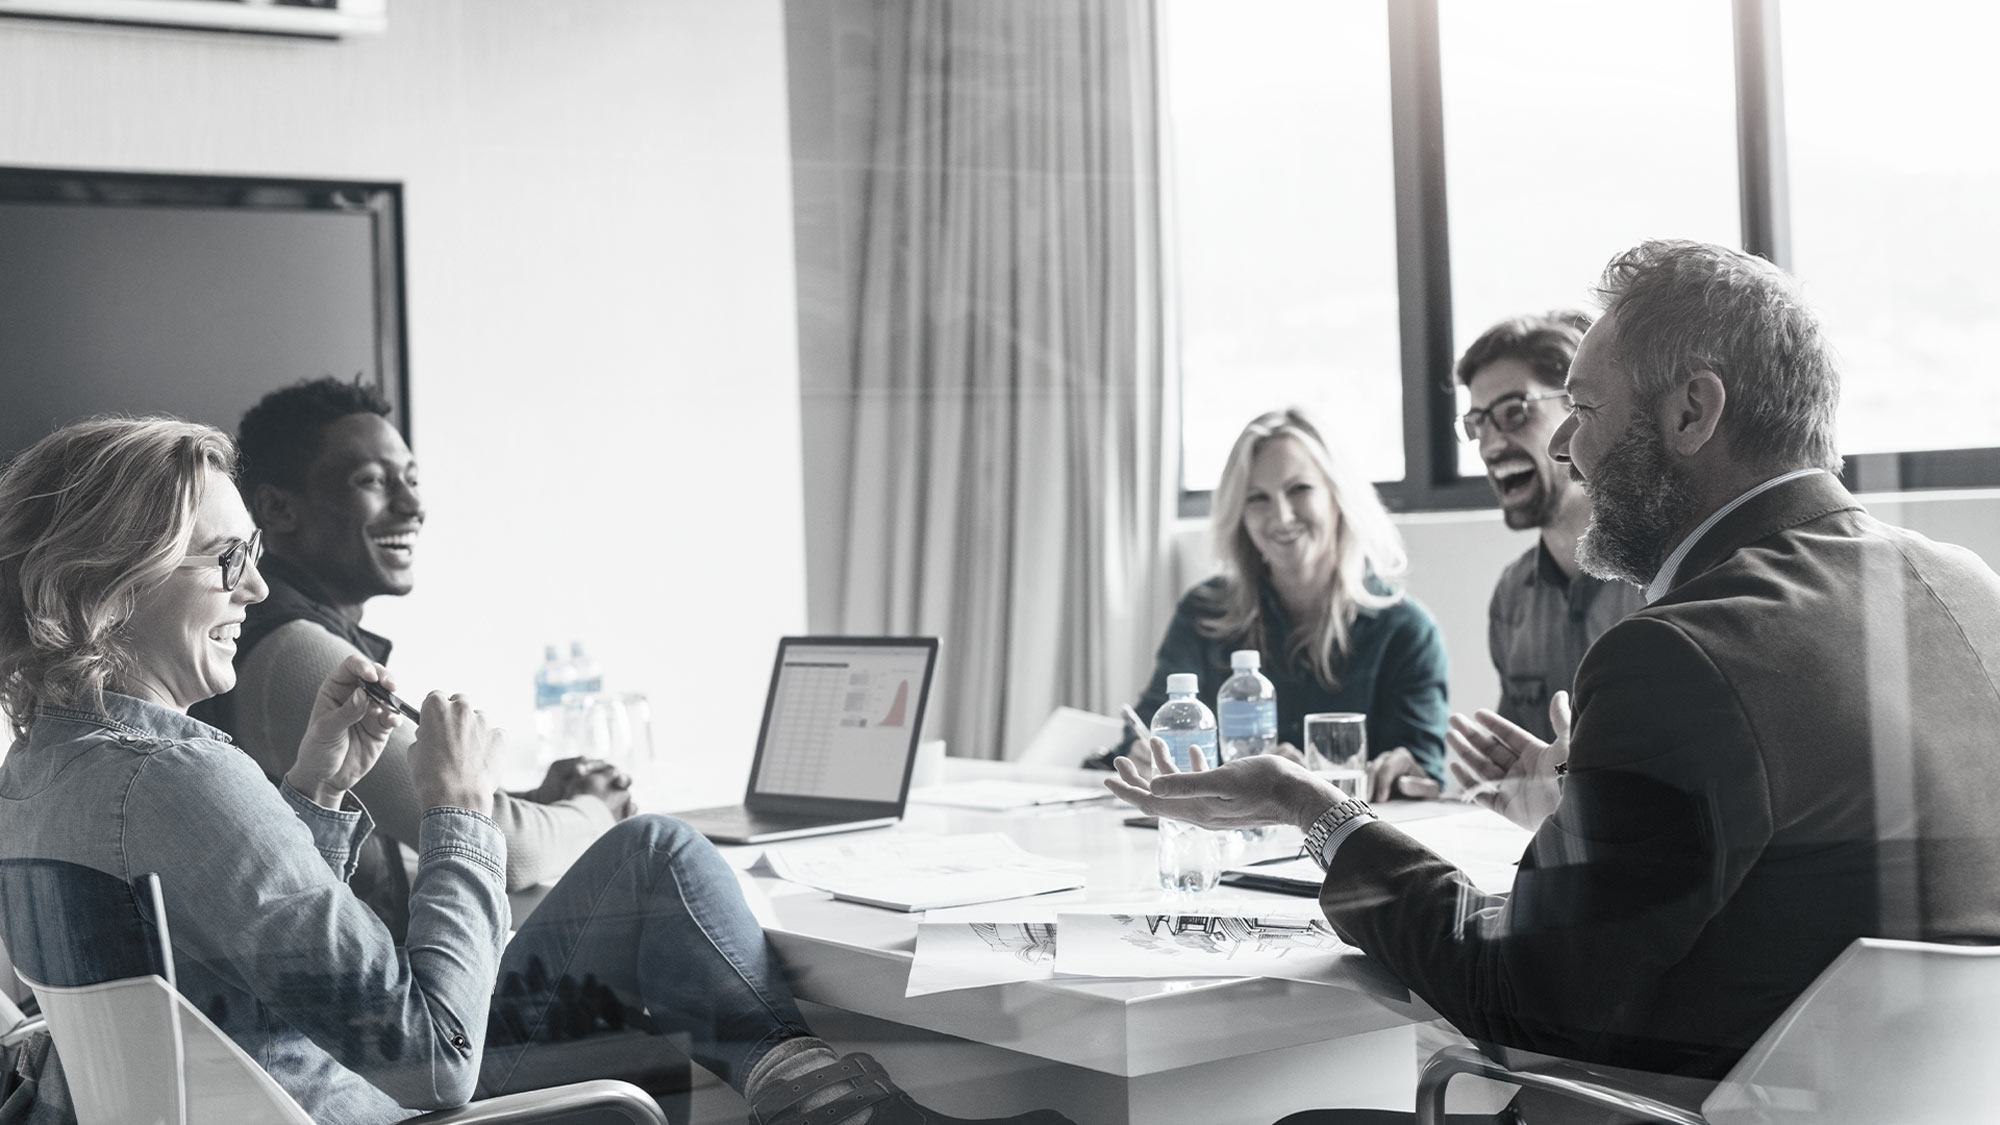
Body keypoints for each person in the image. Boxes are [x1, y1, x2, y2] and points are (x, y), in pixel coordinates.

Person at [1109, 240, 2000, 1122]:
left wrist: (1318, 811)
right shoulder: (1973, 586)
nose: (1567, 444)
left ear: (1694, 411)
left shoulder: (1680, 652)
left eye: (1582, 406)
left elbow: (1520, 998)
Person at [0, 416, 1069, 1125]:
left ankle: (823, 1093)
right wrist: (458, 809)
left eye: (253, 555)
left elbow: (239, 965)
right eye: (220, 557)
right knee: (660, 858)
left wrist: (318, 792)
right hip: (392, 1103)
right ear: (115, 579)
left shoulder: (47, 770)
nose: (251, 584)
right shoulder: (178, 777)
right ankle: (833, 1095)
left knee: (652, 853)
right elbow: (427, 1060)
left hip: (289, 1080)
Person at [191, 378, 625, 936]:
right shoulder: (290, 651)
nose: (413, 505)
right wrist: (597, 809)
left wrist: (536, 799)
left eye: (412, 480)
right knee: (659, 847)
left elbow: (441, 808)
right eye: (372, 481)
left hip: (376, 981)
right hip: (385, 1005)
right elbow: (505, 850)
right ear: (277, 508)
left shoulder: (298, 634)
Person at [1130, 408, 1449, 800]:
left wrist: (1406, 771)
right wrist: (1146, 755)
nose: (1281, 516)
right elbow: (1145, 732)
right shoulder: (1205, 613)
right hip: (1228, 840)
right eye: (1257, 499)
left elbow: (1424, 773)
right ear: (1240, 517)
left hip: (1351, 849)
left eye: (1299, 490)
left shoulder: (1406, 631)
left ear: (1338, 496)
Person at [1457, 312, 1644, 743]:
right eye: (1478, 424)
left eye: (1514, 412)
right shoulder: (1512, 595)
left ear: (1580, 412)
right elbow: (1519, 767)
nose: (1489, 446)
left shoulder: (1662, 577)